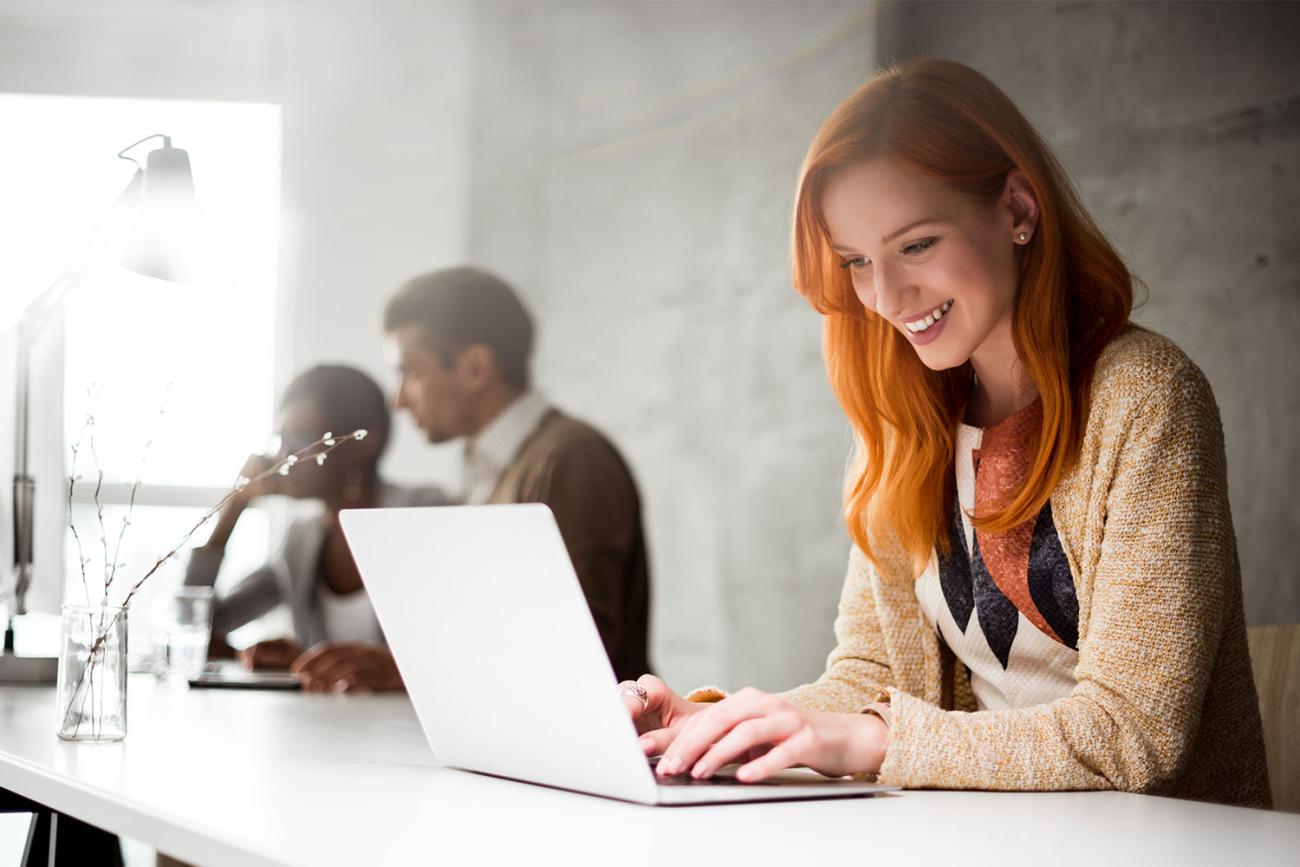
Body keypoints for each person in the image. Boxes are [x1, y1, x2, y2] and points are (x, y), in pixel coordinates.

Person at [619, 58, 1271, 808]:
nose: (888, 297)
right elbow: (872, 674)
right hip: (979, 834)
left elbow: (1135, 731)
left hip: (1158, 842)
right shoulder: (902, 420)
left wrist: (874, 738)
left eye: (917, 245)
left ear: (1018, 209)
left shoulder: (1148, 399)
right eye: (858, 261)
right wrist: (719, 727)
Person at [384, 266, 652, 681]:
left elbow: (575, 653)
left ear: (474, 367)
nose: (399, 399)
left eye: (412, 372)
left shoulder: (572, 461)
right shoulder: (488, 467)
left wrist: (409, 671)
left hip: (582, 743)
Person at [184, 364, 450, 692]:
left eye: (301, 438)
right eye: (279, 440)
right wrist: (234, 507)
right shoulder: (301, 540)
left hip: (411, 732)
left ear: (362, 444)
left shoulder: (425, 514)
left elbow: (460, 650)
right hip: (328, 730)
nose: (283, 457)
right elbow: (196, 628)